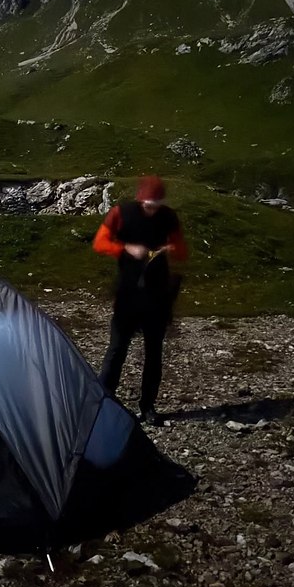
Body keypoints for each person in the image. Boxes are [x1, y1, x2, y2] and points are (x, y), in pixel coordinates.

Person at [93, 174, 188, 425]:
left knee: (154, 353)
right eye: (148, 204)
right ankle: (104, 401)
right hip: (128, 293)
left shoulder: (169, 217)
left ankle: (148, 407)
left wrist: (171, 249)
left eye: (156, 204)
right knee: (117, 350)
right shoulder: (121, 213)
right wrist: (125, 248)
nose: (152, 208)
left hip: (158, 295)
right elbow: (100, 242)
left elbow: (182, 251)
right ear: (140, 200)